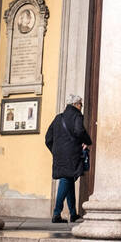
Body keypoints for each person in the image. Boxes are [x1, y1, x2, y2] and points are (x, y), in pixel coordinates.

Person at [45, 95, 92, 223]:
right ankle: (56, 213)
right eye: (81, 105)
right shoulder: (77, 115)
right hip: (71, 154)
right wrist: (88, 141)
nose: (81, 107)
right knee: (66, 179)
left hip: (60, 155)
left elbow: (48, 138)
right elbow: (79, 131)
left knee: (69, 180)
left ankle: (73, 213)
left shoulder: (58, 118)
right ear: (76, 104)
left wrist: (55, 151)